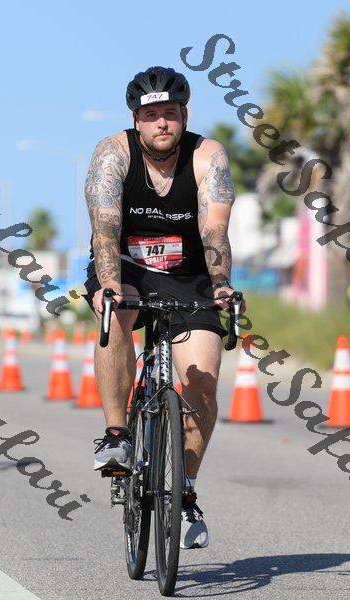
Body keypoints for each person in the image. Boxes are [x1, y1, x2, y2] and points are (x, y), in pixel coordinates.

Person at [83, 66, 245, 549]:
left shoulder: (208, 156)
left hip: (189, 274)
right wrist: (109, 285)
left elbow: (215, 231)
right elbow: (105, 231)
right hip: (126, 267)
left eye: (170, 114)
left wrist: (221, 284)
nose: (161, 123)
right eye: (151, 115)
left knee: (204, 380)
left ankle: (185, 489)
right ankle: (117, 434)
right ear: (136, 119)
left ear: (184, 116)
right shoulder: (112, 154)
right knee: (114, 317)